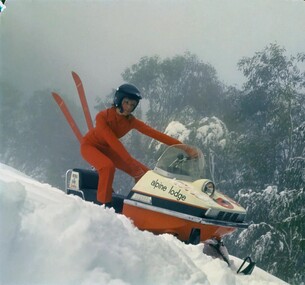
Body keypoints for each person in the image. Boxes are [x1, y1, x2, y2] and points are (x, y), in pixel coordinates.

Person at [80, 83, 196, 206]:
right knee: (107, 167)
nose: (129, 107)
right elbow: (113, 142)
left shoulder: (130, 121)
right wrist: (132, 166)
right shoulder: (102, 117)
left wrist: (185, 148)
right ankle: (102, 206)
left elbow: (155, 134)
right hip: (90, 146)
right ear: (118, 100)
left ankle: (151, 206)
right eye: (126, 102)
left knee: (146, 174)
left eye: (132, 105)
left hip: (108, 149)